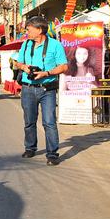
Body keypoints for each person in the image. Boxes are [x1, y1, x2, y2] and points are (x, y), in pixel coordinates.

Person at [12, 16, 68, 166]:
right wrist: (24, 67)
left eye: (29, 30)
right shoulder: (26, 44)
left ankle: (52, 154)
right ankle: (30, 147)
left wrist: (46, 73)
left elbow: (64, 66)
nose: (27, 32)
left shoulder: (55, 45)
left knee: (49, 122)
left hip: (47, 89)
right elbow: (17, 62)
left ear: (40, 30)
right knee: (29, 121)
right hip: (28, 88)